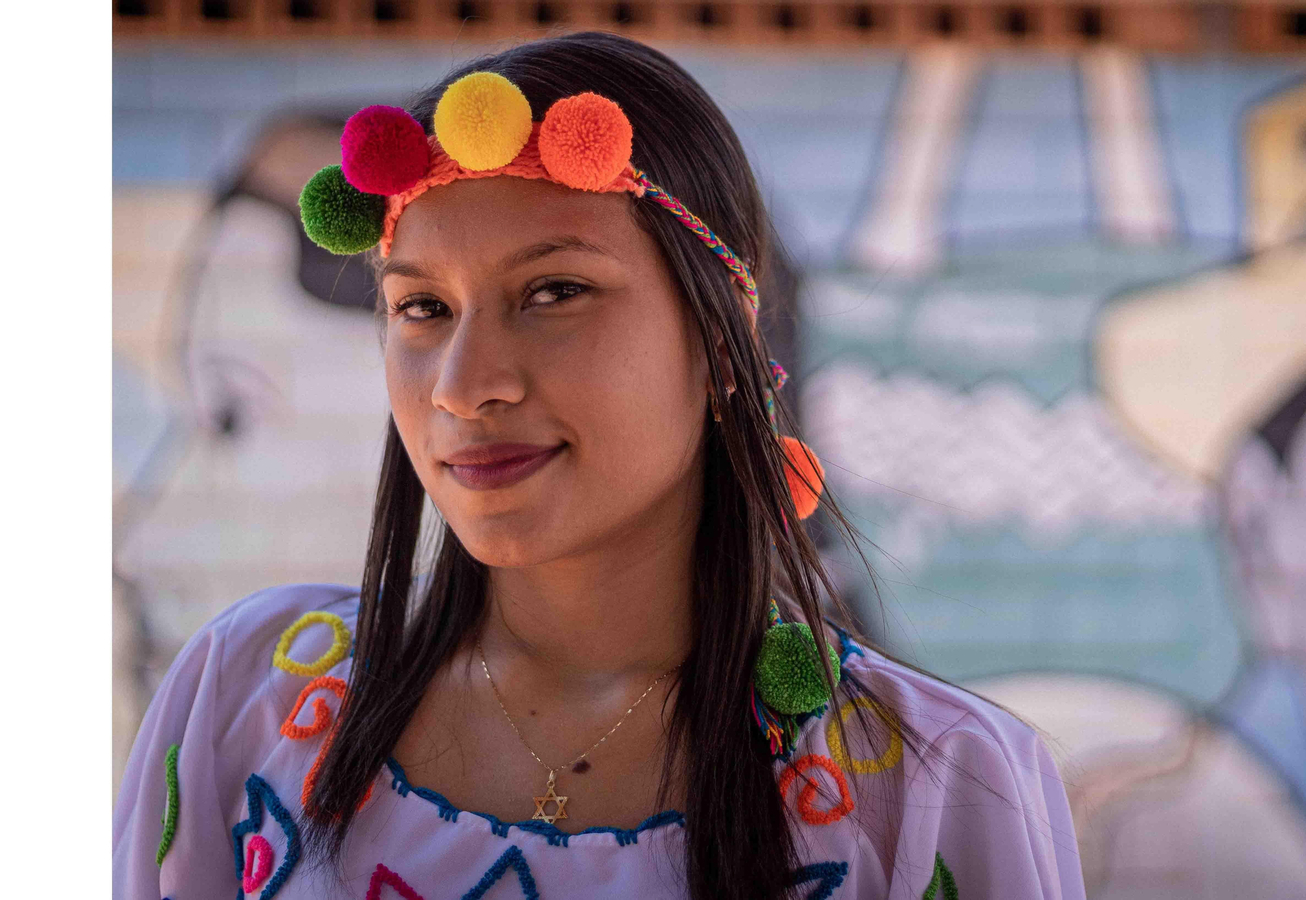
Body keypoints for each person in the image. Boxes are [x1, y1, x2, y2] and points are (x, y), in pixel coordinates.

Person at [112, 32, 1084, 900]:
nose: (464, 385)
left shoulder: (935, 786)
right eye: (421, 308)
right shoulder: (248, 696)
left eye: (555, 290)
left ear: (720, 339)